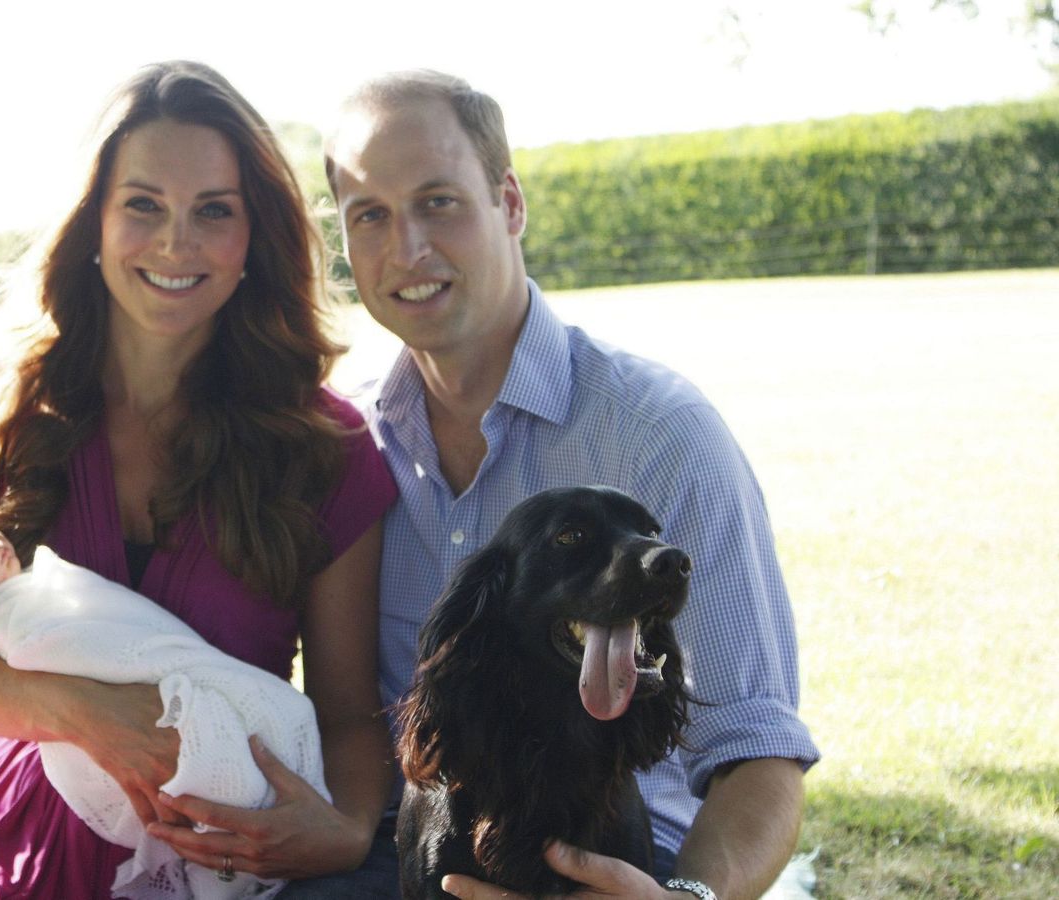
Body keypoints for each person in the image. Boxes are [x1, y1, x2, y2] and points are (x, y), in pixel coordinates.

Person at [0, 60, 398, 899]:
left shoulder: (325, 447)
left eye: (213, 211)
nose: (176, 242)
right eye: (143, 204)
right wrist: (78, 713)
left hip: (209, 862)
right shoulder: (4, 405)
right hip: (1, 842)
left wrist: (348, 827)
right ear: (95, 223)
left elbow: (348, 712)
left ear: (255, 237)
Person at [321, 70, 821, 900]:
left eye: (439, 201)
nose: (406, 248)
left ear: (510, 203)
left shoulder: (660, 433)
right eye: (370, 214)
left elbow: (757, 746)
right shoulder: (346, 443)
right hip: (406, 858)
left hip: (623, 865)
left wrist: (686, 898)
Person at [0, 510, 333, 898]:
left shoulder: (320, 460)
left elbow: (352, 717)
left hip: (145, 819)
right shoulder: (3, 444)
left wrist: (344, 838)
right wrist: (74, 711)